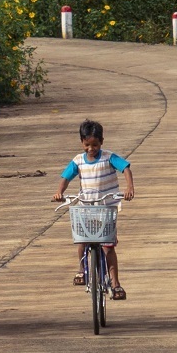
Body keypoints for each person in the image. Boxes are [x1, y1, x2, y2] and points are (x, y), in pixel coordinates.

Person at [51, 119, 136, 298]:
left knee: (108, 246)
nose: (91, 149)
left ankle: (116, 284)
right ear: (82, 142)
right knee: (82, 238)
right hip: (86, 207)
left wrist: (129, 188)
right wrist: (59, 192)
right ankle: (81, 270)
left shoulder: (109, 157)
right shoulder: (78, 161)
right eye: (87, 145)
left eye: (95, 145)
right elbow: (66, 178)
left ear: (102, 142)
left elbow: (126, 168)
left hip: (106, 209)